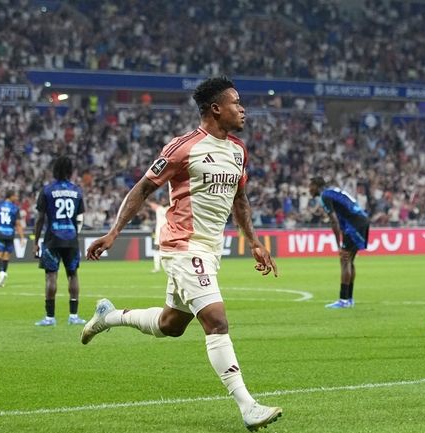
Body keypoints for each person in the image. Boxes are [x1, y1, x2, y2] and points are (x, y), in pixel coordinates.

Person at [81, 76, 283, 431]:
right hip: (182, 246)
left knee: (170, 326)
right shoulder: (183, 147)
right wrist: (114, 232)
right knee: (217, 321)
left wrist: (253, 241)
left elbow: (240, 199)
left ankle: (108, 316)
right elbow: (142, 188)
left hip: (209, 249)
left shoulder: (238, 150)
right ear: (215, 109)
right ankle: (247, 405)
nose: (242, 108)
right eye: (236, 103)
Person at [33, 156, 87, 326]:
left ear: (54, 170)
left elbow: (40, 218)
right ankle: (74, 316)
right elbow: (79, 217)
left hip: (52, 239)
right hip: (71, 239)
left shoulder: (47, 190)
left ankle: (50, 317)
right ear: (70, 170)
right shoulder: (76, 191)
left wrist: (35, 241)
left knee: (51, 277)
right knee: (73, 275)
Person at [308, 177, 370, 308]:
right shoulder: (332, 191)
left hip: (353, 225)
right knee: (350, 260)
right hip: (362, 220)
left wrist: (338, 245)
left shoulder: (324, 196)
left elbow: (334, 221)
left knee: (344, 260)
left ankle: (343, 300)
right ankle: (349, 299)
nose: (309, 189)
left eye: (310, 186)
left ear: (316, 186)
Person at [0, 190, 24, 287]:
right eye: (15, 196)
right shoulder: (15, 208)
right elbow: (18, 224)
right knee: (6, 257)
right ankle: (2, 279)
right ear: (10, 196)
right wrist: (21, 237)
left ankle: (1, 272)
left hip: (0, 233)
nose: (17, 198)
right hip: (10, 234)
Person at [148, 195, 169, 273]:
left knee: (168, 249)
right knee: (157, 248)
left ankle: (168, 267)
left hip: (168, 231)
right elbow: (150, 205)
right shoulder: (159, 209)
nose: (163, 201)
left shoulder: (170, 208)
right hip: (159, 231)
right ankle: (157, 267)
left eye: (165, 200)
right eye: (162, 200)